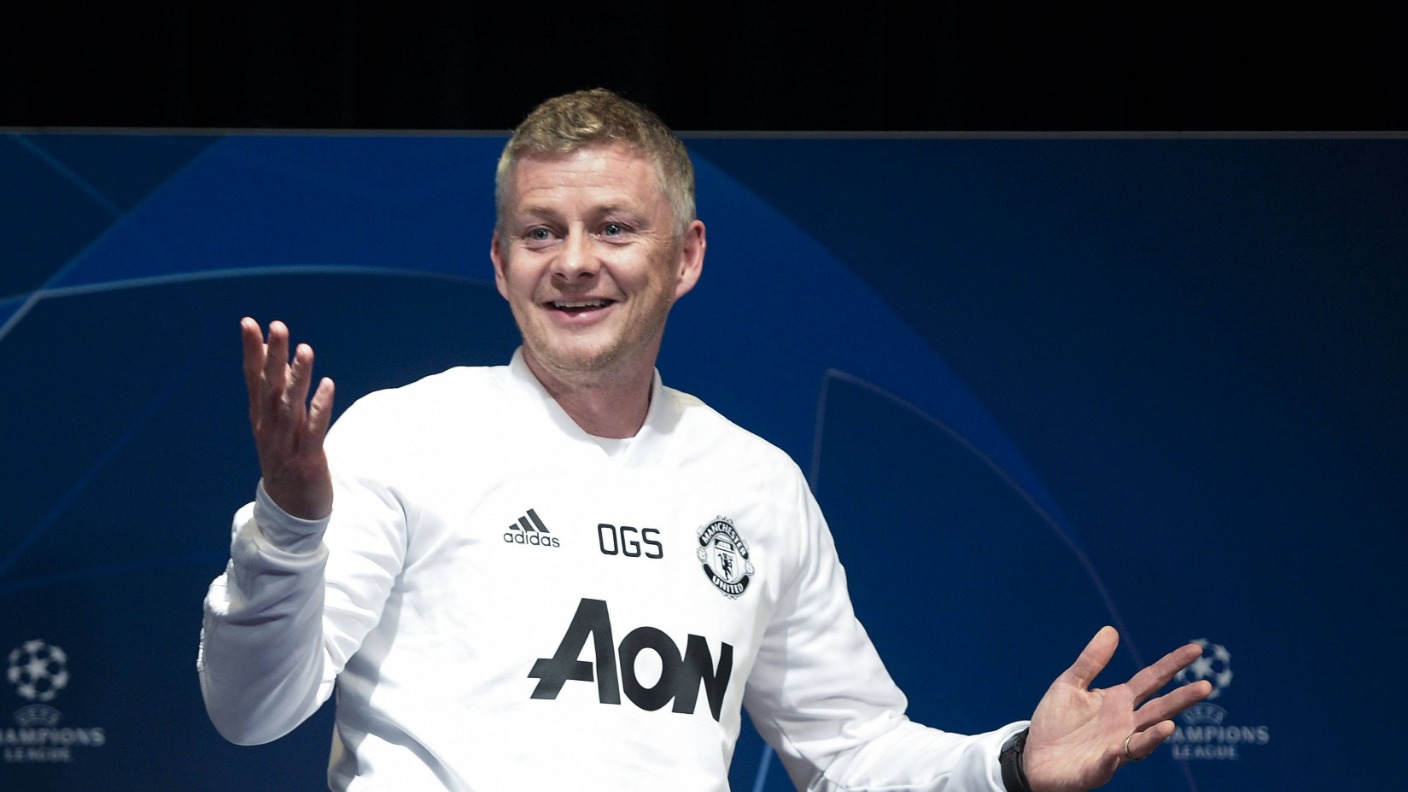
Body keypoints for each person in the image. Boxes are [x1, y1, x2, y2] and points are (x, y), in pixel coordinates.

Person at [199, 88, 1211, 791]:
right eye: (541, 232)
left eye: (612, 227)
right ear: (501, 264)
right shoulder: (406, 436)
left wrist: (1009, 765)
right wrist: (288, 524)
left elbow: (851, 753)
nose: (574, 262)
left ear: (685, 257)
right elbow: (250, 711)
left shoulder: (754, 486)